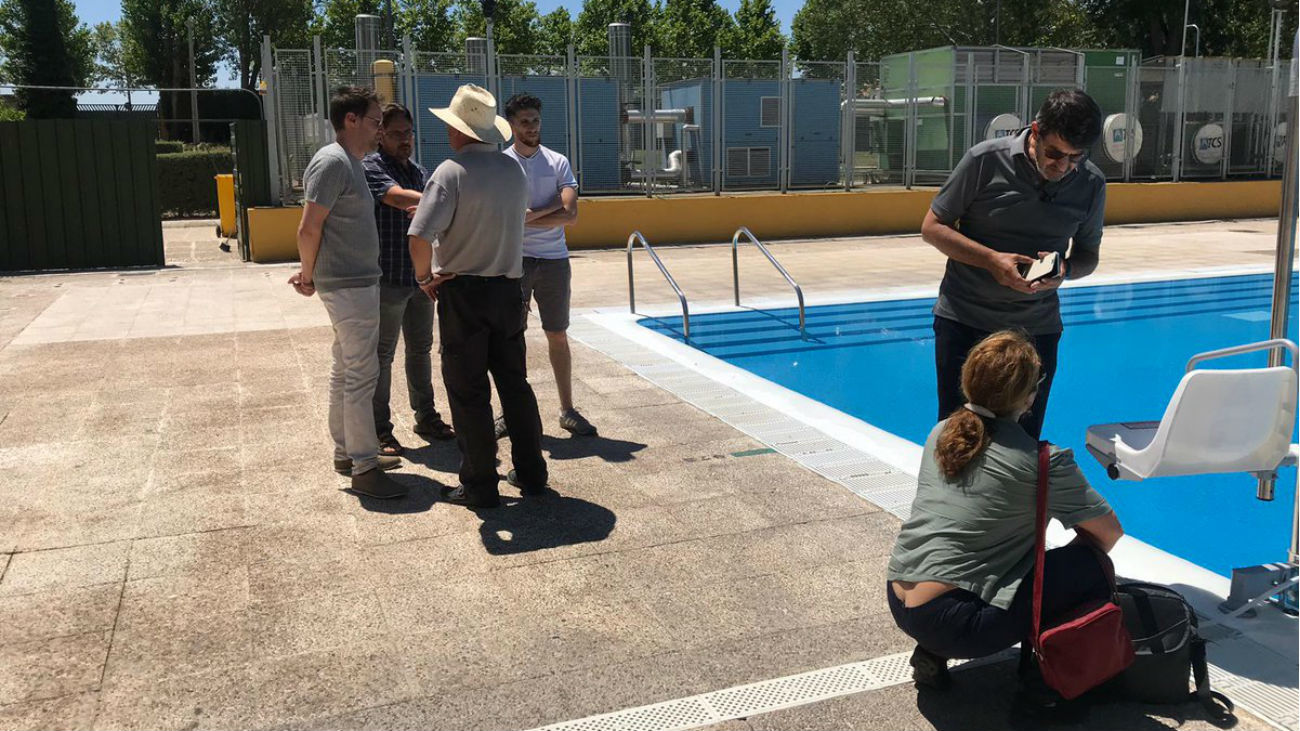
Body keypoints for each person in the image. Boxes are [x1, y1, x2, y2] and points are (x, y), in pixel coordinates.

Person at [886, 330, 1123, 691]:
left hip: (900, 598)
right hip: (957, 625)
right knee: (1093, 566)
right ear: (1029, 397)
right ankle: (1053, 676)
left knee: (984, 556)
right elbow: (1109, 533)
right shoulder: (1044, 463)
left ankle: (932, 651)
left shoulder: (942, 433)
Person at [922, 89, 1105, 439]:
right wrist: (992, 260)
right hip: (966, 323)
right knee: (957, 440)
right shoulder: (984, 160)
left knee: (1022, 445)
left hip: (1036, 331)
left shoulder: (1092, 182)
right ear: (1035, 131)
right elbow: (932, 228)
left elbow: (1088, 256)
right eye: (1054, 154)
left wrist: (1063, 270)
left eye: (1074, 158)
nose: (1063, 166)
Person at [407, 84, 549, 509]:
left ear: (459, 131)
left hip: (463, 292)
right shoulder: (513, 171)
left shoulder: (449, 172)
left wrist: (423, 277)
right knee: (515, 385)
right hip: (508, 289)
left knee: (468, 392)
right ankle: (531, 472)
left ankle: (480, 483)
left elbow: (419, 236)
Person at [290, 86, 407, 500]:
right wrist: (307, 275)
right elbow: (309, 226)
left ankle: (347, 453)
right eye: (375, 121)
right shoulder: (333, 162)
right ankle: (364, 466)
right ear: (351, 120)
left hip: (355, 282)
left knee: (346, 369)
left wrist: (310, 274)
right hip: (350, 285)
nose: (380, 129)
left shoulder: (350, 162)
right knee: (362, 374)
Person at [497, 92, 596, 438]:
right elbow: (504, 218)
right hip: (515, 261)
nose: (531, 127)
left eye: (535, 120)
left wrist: (530, 215)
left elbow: (570, 214)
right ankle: (509, 413)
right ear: (510, 124)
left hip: (554, 261)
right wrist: (548, 208)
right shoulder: (503, 164)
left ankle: (567, 410)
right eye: (524, 121)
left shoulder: (557, 162)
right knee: (511, 337)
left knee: (557, 334)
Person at [362, 103, 456, 457]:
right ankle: (379, 430)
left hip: (420, 278)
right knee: (382, 355)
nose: (406, 140)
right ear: (381, 134)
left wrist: (433, 204)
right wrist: (440, 202)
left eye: (409, 133)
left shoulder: (418, 172)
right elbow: (394, 197)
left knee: (420, 350)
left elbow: (427, 210)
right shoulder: (372, 167)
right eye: (398, 133)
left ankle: (426, 417)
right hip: (386, 277)